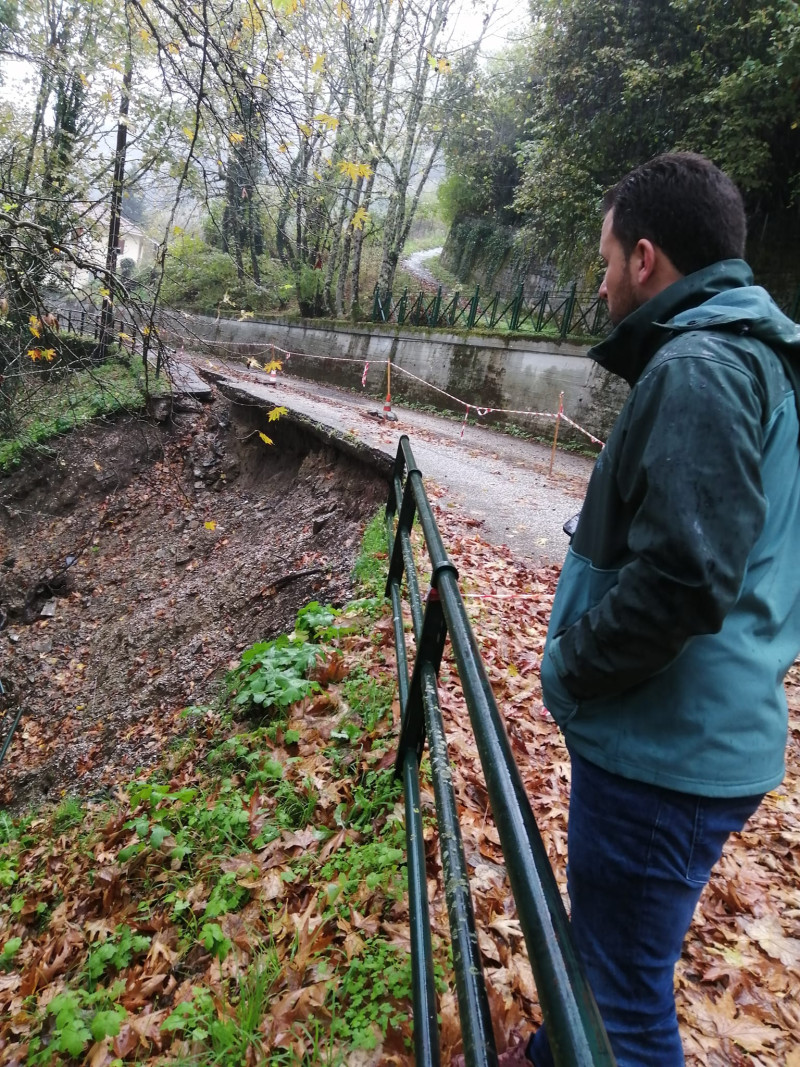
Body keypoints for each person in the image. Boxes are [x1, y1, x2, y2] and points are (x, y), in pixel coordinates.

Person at [496, 153, 800, 1067]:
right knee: (605, 968)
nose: (598, 285)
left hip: (667, 748)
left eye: (604, 261)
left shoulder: (701, 366)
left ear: (644, 257)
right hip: (690, 733)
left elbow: (684, 578)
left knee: (622, 1004)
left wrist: (570, 665)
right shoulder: (755, 356)